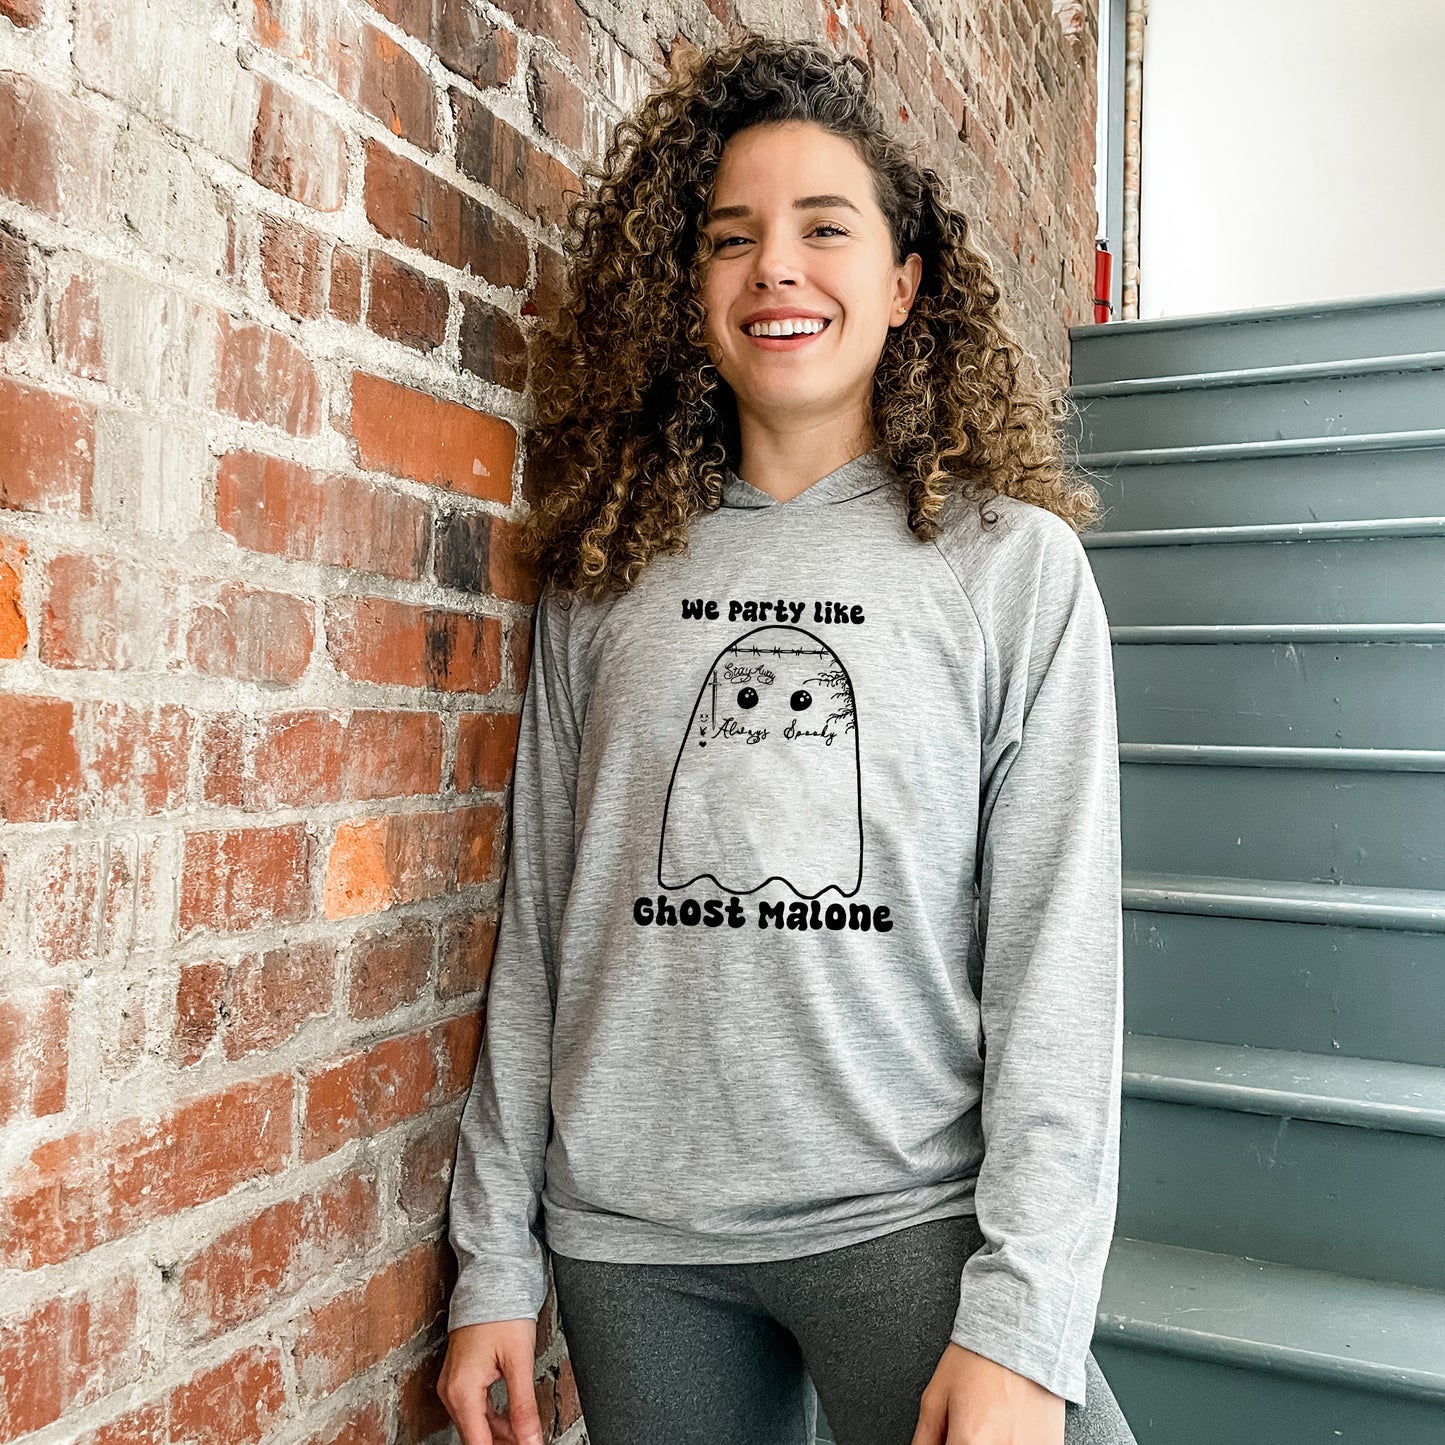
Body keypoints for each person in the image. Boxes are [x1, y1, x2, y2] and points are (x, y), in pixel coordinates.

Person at [437, 30, 1136, 1445]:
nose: (776, 269)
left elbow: (1058, 959)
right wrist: (493, 1259)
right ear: (687, 288)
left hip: (907, 1218)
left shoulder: (1011, 567)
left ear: (902, 282)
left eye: (825, 228)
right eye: (730, 237)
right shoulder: (605, 572)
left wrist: (1024, 1310)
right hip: (637, 1244)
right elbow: (544, 925)